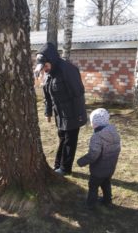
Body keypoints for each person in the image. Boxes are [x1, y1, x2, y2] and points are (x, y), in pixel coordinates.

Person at [34, 42, 87, 175]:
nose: (45, 69)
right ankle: (58, 165)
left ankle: (65, 168)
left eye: (46, 66)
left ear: (51, 60)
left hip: (73, 112)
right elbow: (47, 94)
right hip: (61, 114)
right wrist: (48, 112)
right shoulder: (50, 73)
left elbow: (78, 93)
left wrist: (78, 115)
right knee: (62, 138)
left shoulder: (67, 70)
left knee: (70, 140)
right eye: (43, 67)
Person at [77, 108, 121, 209]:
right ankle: (107, 200)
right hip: (110, 167)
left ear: (96, 123)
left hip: (98, 169)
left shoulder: (97, 136)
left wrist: (81, 161)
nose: (91, 124)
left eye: (92, 122)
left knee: (93, 186)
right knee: (106, 183)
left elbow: (93, 154)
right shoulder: (114, 131)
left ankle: (90, 205)